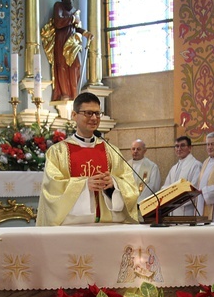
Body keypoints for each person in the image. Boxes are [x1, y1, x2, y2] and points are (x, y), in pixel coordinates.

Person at [37, 92, 139, 226]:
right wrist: (84, 185)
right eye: (88, 113)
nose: (94, 118)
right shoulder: (58, 152)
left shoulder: (111, 150)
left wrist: (113, 184)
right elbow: (52, 190)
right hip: (72, 226)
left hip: (107, 225)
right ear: (74, 115)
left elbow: (129, 183)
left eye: (97, 113)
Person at [43, 0, 93, 102]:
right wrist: (72, 19)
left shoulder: (75, 11)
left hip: (73, 41)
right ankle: (65, 93)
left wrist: (85, 33)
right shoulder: (58, 6)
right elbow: (58, 22)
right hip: (61, 39)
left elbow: (77, 27)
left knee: (76, 65)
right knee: (63, 67)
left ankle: (75, 95)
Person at [162, 136, 202, 216]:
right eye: (177, 146)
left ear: (190, 148)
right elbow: (165, 188)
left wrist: (175, 200)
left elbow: (195, 189)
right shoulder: (173, 168)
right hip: (173, 211)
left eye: (182, 145)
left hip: (187, 211)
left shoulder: (196, 165)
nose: (179, 149)